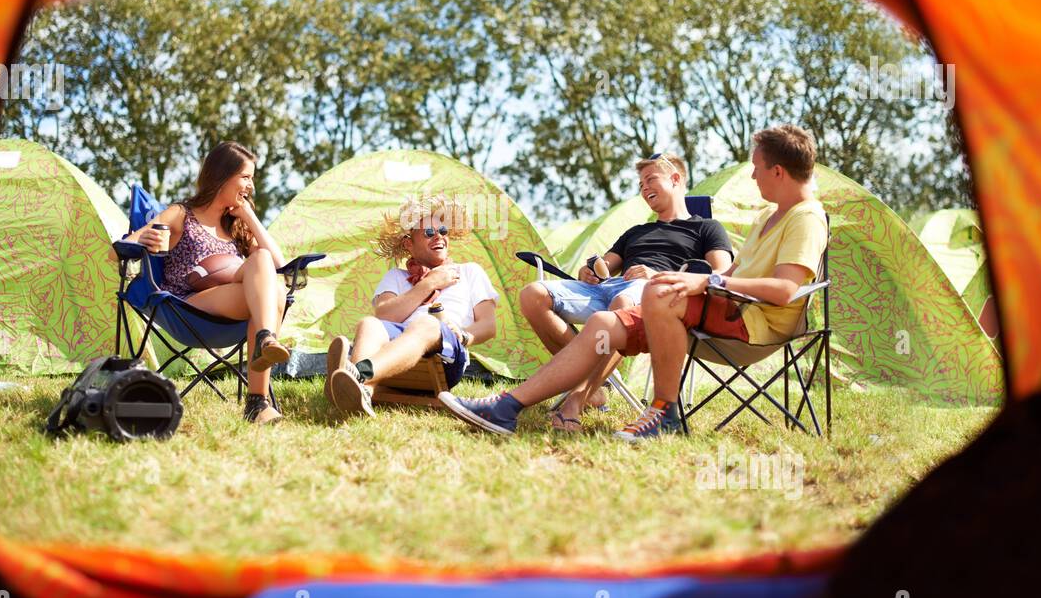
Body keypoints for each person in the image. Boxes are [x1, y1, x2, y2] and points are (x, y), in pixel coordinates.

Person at [439, 125, 827, 442]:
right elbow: (729, 278)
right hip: (713, 309)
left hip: (754, 324)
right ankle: (507, 406)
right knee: (604, 324)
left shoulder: (805, 218)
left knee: (650, 293)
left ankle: (664, 411)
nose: (753, 174)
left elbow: (784, 291)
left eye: (757, 167)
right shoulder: (767, 217)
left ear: (778, 171)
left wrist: (698, 280)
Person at [518, 151, 732, 430]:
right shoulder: (636, 231)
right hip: (609, 288)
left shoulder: (706, 228)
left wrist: (658, 276)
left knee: (622, 303)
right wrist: (591, 270)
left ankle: (577, 399)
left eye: (650, 179)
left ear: (676, 179)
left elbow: (720, 275)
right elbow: (606, 265)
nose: (644, 189)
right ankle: (593, 385)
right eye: (641, 184)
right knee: (532, 294)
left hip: (655, 293)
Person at [122, 141, 290, 424]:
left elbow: (278, 263)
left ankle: (259, 392)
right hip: (189, 308)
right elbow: (128, 243)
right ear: (223, 176)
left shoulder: (236, 226)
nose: (250, 185)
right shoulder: (181, 214)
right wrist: (145, 240)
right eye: (245, 177)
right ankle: (259, 390)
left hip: (235, 303)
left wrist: (249, 215)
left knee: (269, 277)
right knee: (269, 286)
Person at [326, 194, 499, 418]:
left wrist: (464, 336)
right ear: (409, 243)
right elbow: (385, 315)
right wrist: (430, 283)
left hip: (446, 355)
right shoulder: (396, 276)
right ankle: (362, 393)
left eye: (443, 231)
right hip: (396, 349)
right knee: (368, 323)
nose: (439, 237)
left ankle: (357, 372)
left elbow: (488, 325)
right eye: (429, 233)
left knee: (426, 323)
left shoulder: (469, 272)